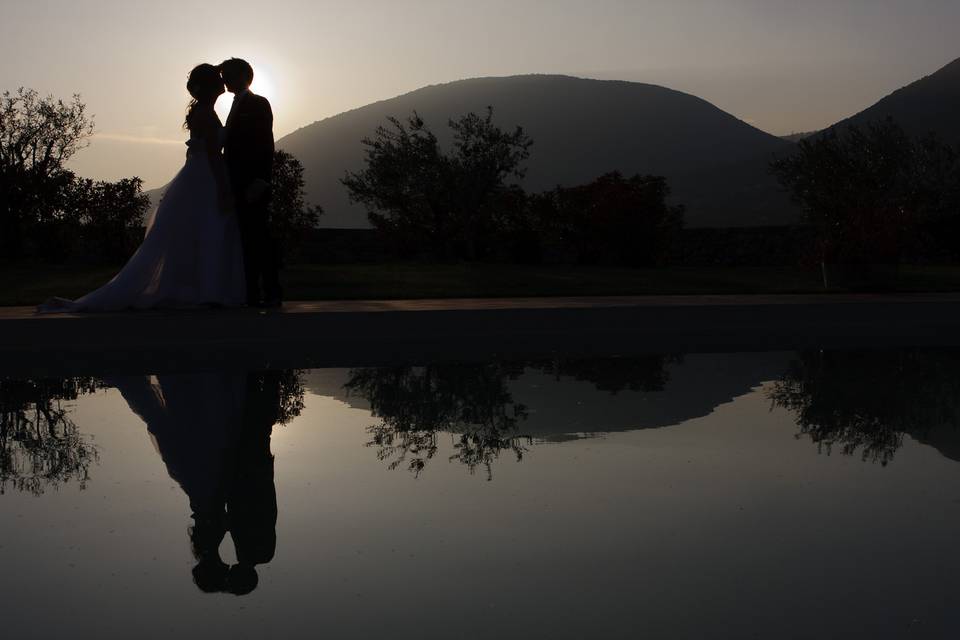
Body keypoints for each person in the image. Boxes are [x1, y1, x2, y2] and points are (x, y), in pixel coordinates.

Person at [36, 64, 245, 313]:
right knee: (210, 230)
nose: (223, 80)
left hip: (194, 176)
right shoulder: (207, 116)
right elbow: (212, 155)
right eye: (218, 78)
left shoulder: (202, 112)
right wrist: (224, 189)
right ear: (211, 86)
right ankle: (208, 290)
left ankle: (198, 289)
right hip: (205, 177)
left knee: (194, 232)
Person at [220, 58, 282, 308]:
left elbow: (265, 143)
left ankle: (272, 290)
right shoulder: (234, 105)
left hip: (253, 183)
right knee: (246, 238)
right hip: (234, 182)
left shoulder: (258, 104)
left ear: (244, 76)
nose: (224, 80)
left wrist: (261, 180)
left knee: (259, 237)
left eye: (228, 75)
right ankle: (250, 293)